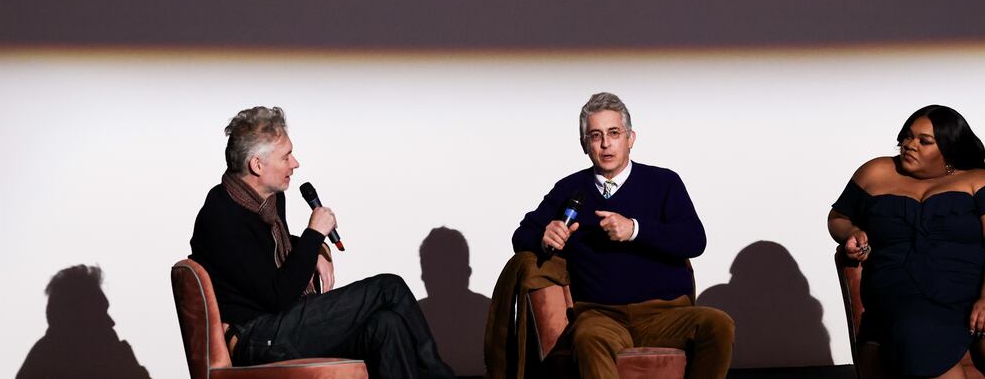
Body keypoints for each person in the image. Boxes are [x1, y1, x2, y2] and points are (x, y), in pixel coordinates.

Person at [190, 106, 455, 379]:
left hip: (282, 322)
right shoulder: (222, 217)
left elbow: (267, 252)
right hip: (257, 335)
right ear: (257, 165)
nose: (295, 163)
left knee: (386, 325)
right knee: (389, 287)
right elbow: (277, 296)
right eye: (286, 156)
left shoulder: (267, 200)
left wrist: (317, 249)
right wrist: (314, 235)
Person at [510, 92, 734, 379]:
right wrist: (544, 236)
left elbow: (694, 240)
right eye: (595, 135)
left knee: (718, 324)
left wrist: (635, 229)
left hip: (665, 314)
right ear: (584, 145)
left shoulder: (664, 182)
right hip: (601, 315)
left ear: (630, 138)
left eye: (614, 133)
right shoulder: (570, 189)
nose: (605, 144)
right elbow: (521, 235)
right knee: (587, 337)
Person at [828, 104, 985, 379]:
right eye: (907, 136)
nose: (910, 145)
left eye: (924, 141)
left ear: (949, 149)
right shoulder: (876, 172)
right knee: (919, 334)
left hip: (978, 285)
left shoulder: (979, 181)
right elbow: (837, 217)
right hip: (904, 290)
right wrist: (850, 232)